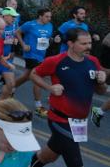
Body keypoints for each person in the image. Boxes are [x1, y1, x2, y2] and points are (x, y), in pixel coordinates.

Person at [30, 28, 107, 167]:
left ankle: (33, 163)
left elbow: (101, 91)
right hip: (60, 119)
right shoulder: (56, 61)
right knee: (76, 163)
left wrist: (102, 82)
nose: (88, 47)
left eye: (90, 43)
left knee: (50, 155)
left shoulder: (93, 62)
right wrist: (50, 88)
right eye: (83, 44)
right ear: (71, 44)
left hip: (79, 122)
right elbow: (34, 74)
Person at [14, 8, 54, 117]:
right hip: (31, 54)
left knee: (27, 75)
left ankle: (10, 88)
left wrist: (50, 41)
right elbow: (17, 32)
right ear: (40, 16)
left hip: (41, 55)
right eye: (47, 16)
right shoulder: (30, 25)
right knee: (38, 77)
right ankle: (38, 106)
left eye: (50, 17)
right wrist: (23, 45)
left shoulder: (50, 26)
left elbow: (47, 37)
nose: (49, 19)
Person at [0, 7, 19, 99]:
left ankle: (1, 106)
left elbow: (15, 35)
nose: (14, 18)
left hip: (6, 59)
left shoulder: (13, 25)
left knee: (11, 85)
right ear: (5, 16)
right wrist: (5, 42)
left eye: (15, 16)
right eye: (12, 16)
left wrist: (15, 40)